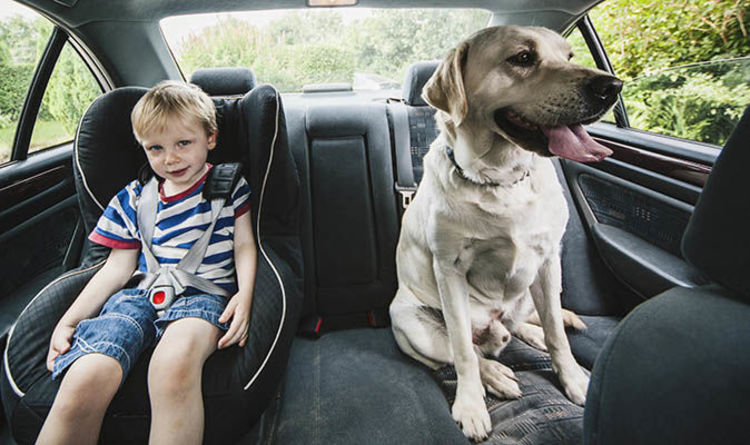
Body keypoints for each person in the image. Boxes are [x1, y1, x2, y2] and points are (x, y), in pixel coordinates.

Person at [36, 81, 257, 445]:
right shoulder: (133, 198)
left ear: (210, 138)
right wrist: (70, 320)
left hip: (203, 297)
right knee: (86, 374)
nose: (170, 159)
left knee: (172, 365)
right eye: (156, 148)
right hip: (138, 296)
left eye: (183, 144)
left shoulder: (228, 185)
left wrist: (244, 296)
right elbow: (116, 268)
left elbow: (245, 246)